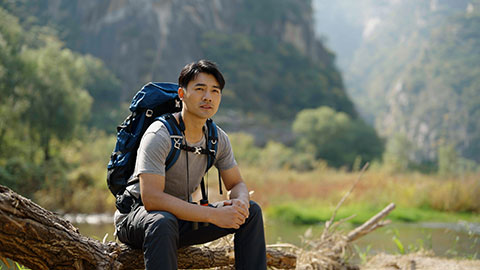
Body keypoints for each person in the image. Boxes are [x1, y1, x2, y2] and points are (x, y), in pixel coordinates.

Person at [114, 60, 267, 269]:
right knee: (162, 221)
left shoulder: (216, 138)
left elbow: (236, 183)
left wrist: (240, 203)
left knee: (252, 211)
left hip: (180, 220)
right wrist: (214, 214)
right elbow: (151, 199)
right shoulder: (160, 134)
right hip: (137, 219)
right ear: (182, 94)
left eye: (215, 91)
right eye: (200, 89)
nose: (208, 97)